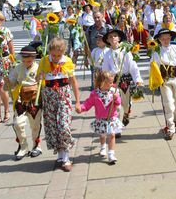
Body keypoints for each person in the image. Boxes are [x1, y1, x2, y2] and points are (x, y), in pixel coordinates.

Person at [37, 37, 81, 172]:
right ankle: (61, 156)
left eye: (59, 55)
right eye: (53, 55)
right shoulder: (45, 61)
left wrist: (78, 101)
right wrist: (40, 76)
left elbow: (73, 82)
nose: (56, 58)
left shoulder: (67, 61)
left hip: (63, 97)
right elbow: (37, 79)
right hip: (49, 97)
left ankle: (67, 156)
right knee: (53, 127)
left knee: (63, 125)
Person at [101, 28, 143, 127]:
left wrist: (137, 79)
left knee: (126, 105)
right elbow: (105, 70)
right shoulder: (107, 54)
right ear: (107, 40)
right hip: (114, 82)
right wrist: (104, 82)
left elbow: (132, 66)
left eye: (115, 36)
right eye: (110, 37)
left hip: (126, 80)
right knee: (116, 105)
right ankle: (117, 126)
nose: (112, 38)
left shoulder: (125, 51)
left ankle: (126, 114)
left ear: (119, 38)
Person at [78, 70, 122, 165]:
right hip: (101, 118)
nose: (112, 84)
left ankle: (111, 154)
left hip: (111, 118)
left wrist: (116, 98)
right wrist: (81, 108)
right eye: (109, 82)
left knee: (112, 134)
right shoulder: (95, 94)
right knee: (102, 135)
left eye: (112, 82)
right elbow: (88, 103)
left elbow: (118, 103)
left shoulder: (113, 91)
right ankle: (103, 147)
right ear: (102, 82)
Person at [9, 45, 43, 160]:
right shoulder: (18, 68)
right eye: (24, 60)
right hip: (21, 99)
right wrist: (8, 82)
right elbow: (12, 82)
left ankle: (37, 146)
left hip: (35, 100)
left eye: (29, 60)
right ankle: (23, 147)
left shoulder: (39, 68)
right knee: (18, 124)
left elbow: (43, 83)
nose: (26, 62)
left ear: (34, 58)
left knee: (35, 125)